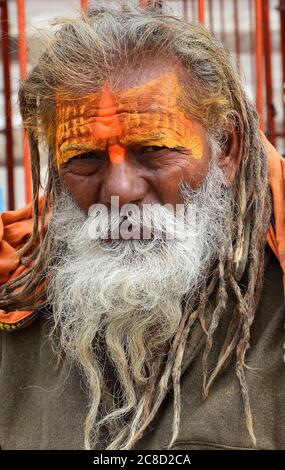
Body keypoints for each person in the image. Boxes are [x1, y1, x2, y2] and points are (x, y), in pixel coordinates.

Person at [0, 4, 285, 450]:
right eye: (84, 157)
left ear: (226, 148)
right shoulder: (15, 296)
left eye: (153, 149)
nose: (120, 191)